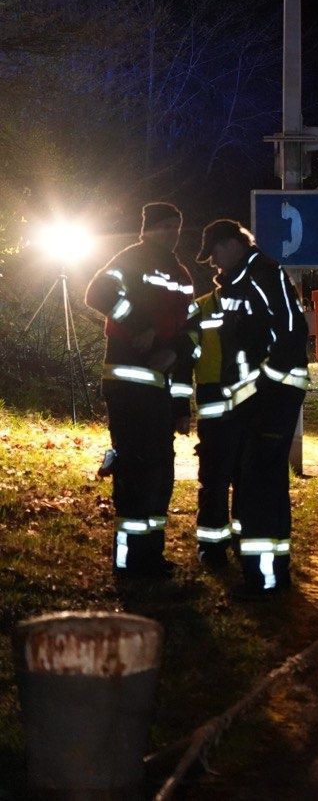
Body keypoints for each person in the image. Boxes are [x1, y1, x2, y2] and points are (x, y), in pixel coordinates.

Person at [197, 219, 309, 598]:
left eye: (215, 253)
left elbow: (293, 333)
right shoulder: (240, 280)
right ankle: (269, 575)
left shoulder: (264, 274)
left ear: (232, 244)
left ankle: (265, 581)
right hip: (255, 400)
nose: (213, 263)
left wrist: (263, 383)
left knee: (259, 487)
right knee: (259, 482)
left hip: (273, 397)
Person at [84, 202, 193, 577]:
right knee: (134, 473)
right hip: (128, 388)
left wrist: (182, 406)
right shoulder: (130, 260)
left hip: (160, 393)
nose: (170, 233)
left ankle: (152, 557)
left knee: (160, 474)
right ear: (147, 229)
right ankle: (129, 562)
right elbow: (98, 293)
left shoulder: (181, 275)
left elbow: (189, 337)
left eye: (175, 227)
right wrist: (140, 326)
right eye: (163, 226)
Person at [171, 287, 244, 569]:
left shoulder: (255, 303)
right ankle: (212, 548)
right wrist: (180, 409)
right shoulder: (199, 309)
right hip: (215, 405)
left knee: (246, 481)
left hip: (247, 404)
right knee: (214, 481)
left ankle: (241, 543)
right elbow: (182, 363)